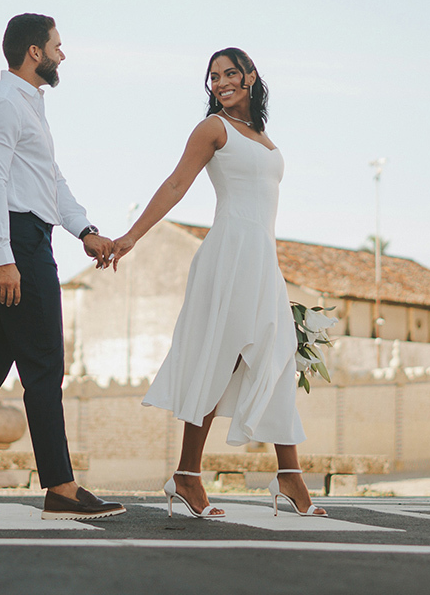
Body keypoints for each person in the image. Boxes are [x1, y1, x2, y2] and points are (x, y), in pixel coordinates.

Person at [0, 13, 125, 521]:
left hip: (26, 240)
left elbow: (49, 179)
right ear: (35, 51)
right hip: (11, 245)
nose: (62, 54)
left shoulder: (29, 105)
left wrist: (85, 231)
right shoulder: (2, 104)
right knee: (44, 366)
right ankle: (61, 489)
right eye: (57, 45)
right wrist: (3, 260)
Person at [111, 48, 326, 519]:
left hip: (262, 259)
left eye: (230, 73)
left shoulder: (263, 137)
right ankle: (188, 475)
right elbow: (175, 185)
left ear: (251, 77)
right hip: (228, 255)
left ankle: (287, 473)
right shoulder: (213, 129)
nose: (222, 82)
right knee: (220, 357)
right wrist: (130, 237)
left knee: (278, 352)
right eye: (213, 76)